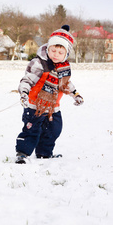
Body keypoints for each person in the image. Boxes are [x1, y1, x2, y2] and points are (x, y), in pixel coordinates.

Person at [15, 25, 84, 164]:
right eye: (53, 50)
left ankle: (44, 153)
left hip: (53, 107)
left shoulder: (63, 68)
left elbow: (66, 84)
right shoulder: (39, 63)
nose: (56, 55)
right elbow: (27, 79)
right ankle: (22, 153)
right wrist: (24, 92)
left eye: (60, 52)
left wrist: (75, 94)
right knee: (31, 130)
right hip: (35, 105)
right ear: (48, 48)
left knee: (53, 130)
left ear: (66, 54)